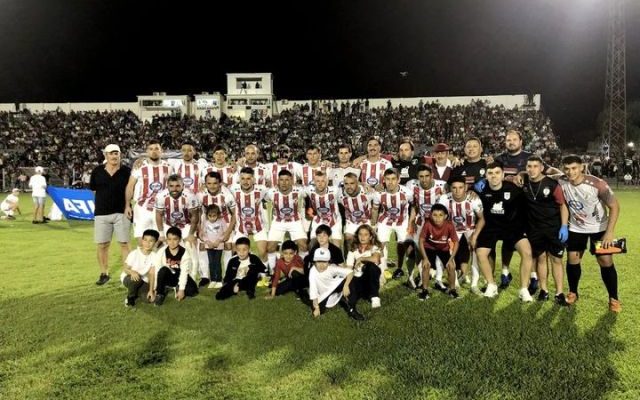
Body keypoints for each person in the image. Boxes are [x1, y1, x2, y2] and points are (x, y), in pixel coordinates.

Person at [558, 155, 621, 312]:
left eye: (574, 168)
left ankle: (613, 299)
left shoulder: (597, 184)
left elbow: (615, 206)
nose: (570, 172)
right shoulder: (562, 181)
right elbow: (564, 203)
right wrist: (564, 225)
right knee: (572, 259)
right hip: (576, 228)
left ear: (582, 167)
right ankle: (573, 292)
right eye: (566, 168)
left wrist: (609, 232)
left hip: (599, 229)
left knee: (605, 261)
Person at [472, 161, 533, 302]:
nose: (494, 176)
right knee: (481, 252)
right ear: (486, 176)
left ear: (503, 175)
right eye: (491, 173)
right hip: (491, 226)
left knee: (527, 252)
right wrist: (471, 191)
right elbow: (470, 191)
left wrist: (524, 228)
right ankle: (491, 284)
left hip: (512, 227)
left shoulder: (514, 189)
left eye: (497, 173)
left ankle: (523, 289)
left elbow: (526, 208)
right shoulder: (481, 189)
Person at [522, 156, 569, 304]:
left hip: (553, 228)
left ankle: (559, 292)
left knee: (556, 259)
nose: (532, 169)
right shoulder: (523, 183)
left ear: (542, 168)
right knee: (541, 259)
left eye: (535, 166)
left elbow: (562, 205)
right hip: (534, 229)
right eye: (529, 166)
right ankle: (544, 290)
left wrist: (563, 226)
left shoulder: (552, 184)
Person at [90, 144, 132, 286]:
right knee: (102, 244)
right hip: (102, 213)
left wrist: (127, 206)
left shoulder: (127, 171)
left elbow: (130, 189)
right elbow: (94, 191)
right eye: (111, 153)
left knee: (125, 243)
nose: (114, 156)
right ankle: (104, 273)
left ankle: (127, 273)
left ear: (120, 155)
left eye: (117, 153)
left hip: (122, 211)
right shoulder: (97, 171)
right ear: (106, 156)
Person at [438, 176, 484, 294]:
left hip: (470, 227)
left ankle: (474, 284)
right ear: (450, 189)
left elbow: (482, 219)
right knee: (449, 253)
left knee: (475, 252)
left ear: (466, 187)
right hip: (453, 228)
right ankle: (455, 283)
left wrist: (474, 236)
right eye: (454, 188)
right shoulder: (444, 199)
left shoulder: (473, 199)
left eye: (460, 187)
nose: (457, 191)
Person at [406, 165, 446, 289]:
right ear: (417, 177)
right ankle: (420, 275)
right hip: (420, 223)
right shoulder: (411, 186)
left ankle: (438, 277)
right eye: (421, 177)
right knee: (418, 249)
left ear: (432, 176)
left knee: (440, 249)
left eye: (427, 176)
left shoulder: (442, 186)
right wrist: (410, 223)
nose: (424, 179)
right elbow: (414, 206)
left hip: (438, 224)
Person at [125, 141, 171, 243]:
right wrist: (127, 205)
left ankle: (156, 258)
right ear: (147, 151)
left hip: (161, 209)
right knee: (141, 239)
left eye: (156, 149)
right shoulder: (139, 166)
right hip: (142, 208)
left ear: (161, 151)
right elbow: (130, 186)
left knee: (161, 240)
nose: (154, 151)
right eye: (151, 149)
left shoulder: (169, 167)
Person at [371, 168, 412, 280]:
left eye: (393, 179)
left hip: (402, 221)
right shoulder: (379, 194)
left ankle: (402, 270)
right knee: (380, 245)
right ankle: (383, 271)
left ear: (398, 179)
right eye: (388, 179)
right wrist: (373, 225)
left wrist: (411, 222)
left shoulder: (407, 192)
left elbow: (414, 207)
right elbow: (375, 209)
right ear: (384, 180)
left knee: (404, 245)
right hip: (385, 220)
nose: (390, 182)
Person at [197, 172, 237, 286]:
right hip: (207, 226)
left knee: (228, 246)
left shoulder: (227, 195)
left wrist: (228, 232)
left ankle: (227, 276)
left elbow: (234, 214)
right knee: (202, 247)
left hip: (225, 225)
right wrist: (200, 230)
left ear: (220, 183)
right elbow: (198, 213)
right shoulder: (201, 195)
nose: (212, 186)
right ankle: (205, 276)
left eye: (215, 183)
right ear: (205, 184)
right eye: (209, 183)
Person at [265, 169, 308, 273]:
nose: (284, 183)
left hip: (295, 221)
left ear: (292, 180)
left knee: (303, 246)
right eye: (281, 180)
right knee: (270, 247)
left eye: (287, 180)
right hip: (278, 222)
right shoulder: (271, 192)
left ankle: (302, 270)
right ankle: (272, 272)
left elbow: (310, 196)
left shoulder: (299, 190)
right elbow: (263, 201)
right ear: (278, 181)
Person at [308, 248, 364, 320]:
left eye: (324, 262)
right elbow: (313, 290)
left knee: (350, 282)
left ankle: (352, 309)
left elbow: (350, 272)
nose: (321, 265)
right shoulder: (313, 271)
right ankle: (341, 299)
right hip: (322, 294)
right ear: (314, 262)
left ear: (328, 262)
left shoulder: (331, 268)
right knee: (319, 312)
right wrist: (316, 307)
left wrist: (346, 285)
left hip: (333, 287)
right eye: (319, 262)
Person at [418, 204, 460, 299]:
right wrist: (425, 258)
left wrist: (451, 259)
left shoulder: (449, 225)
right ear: (430, 215)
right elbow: (421, 241)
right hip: (429, 247)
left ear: (445, 216)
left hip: (443, 248)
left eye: (440, 215)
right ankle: (425, 291)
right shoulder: (428, 224)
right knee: (426, 265)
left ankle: (452, 290)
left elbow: (456, 243)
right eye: (435, 215)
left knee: (451, 266)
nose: (437, 218)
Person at [152, 226, 199, 306]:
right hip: (168, 275)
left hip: (180, 274)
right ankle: (160, 293)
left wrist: (181, 289)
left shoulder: (184, 252)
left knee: (192, 292)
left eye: (175, 239)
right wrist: (155, 288)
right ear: (166, 240)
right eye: (169, 239)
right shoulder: (162, 251)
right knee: (163, 270)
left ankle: (177, 287)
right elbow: (157, 270)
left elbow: (184, 272)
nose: (172, 242)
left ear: (180, 240)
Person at [345, 224, 382, 308]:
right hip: (357, 279)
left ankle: (374, 296)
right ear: (357, 236)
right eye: (360, 234)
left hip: (369, 279)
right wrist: (346, 285)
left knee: (371, 266)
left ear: (371, 237)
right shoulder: (353, 249)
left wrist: (362, 258)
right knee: (350, 300)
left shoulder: (374, 247)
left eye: (366, 234)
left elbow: (376, 259)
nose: (362, 237)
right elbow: (349, 268)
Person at [121, 229, 159, 307]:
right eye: (145, 240)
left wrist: (151, 290)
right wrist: (132, 272)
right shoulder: (135, 253)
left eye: (151, 241)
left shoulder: (154, 256)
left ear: (155, 242)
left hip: (142, 279)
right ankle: (130, 297)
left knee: (148, 299)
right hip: (128, 277)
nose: (147, 243)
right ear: (142, 240)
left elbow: (152, 274)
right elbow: (125, 269)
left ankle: (135, 292)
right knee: (136, 279)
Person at [338, 172, 374, 251]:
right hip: (351, 221)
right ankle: (350, 259)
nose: (349, 186)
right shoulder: (339, 194)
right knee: (348, 238)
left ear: (357, 183)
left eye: (352, 183)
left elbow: (379, 202)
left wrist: (374, 223)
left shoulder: (367, 192)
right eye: (346, 184)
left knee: (366, 242)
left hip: (366, 221)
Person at [199, 204, 228, 289]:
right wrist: (208, 242)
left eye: (214, 216)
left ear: (218, 215)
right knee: (211, 263)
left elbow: (225, 232)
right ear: (207, 215)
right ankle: (213, 280)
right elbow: (203, 234)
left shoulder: (221, 221)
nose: (212, 218)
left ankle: (219, 280)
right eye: (210, 216)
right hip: (209, 246)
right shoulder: (205, 222)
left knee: (217, 262)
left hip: (219, 246)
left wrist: (218, 241)